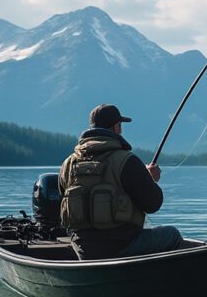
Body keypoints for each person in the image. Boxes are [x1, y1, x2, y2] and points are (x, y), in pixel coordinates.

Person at [58, 103, 182, 260]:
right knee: (172, 235)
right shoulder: (127, 161)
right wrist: (150, 179)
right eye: (120, 125)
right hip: (123, 246)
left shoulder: (68, 164)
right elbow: (153, 204)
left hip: (84, 250)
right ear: (116, 128)